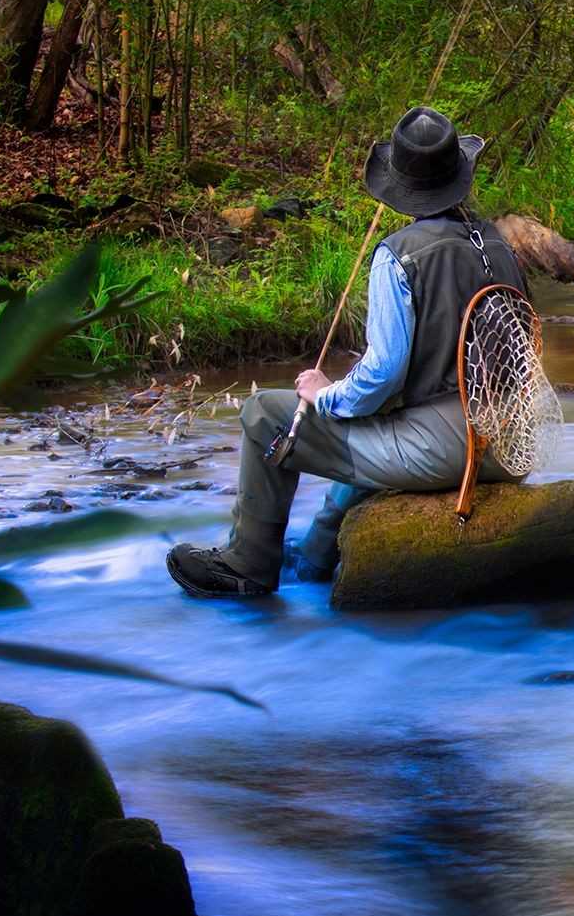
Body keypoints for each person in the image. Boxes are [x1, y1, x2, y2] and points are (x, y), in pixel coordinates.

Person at [167, 106, 529, 597]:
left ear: (402, 188)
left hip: (449, 451)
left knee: (263, 415)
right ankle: (317, 556)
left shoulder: (398, 254)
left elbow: (382, 374)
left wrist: (325, 395)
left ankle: (247, 563)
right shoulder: (499, 243)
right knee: (377, 417)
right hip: (513, 444)